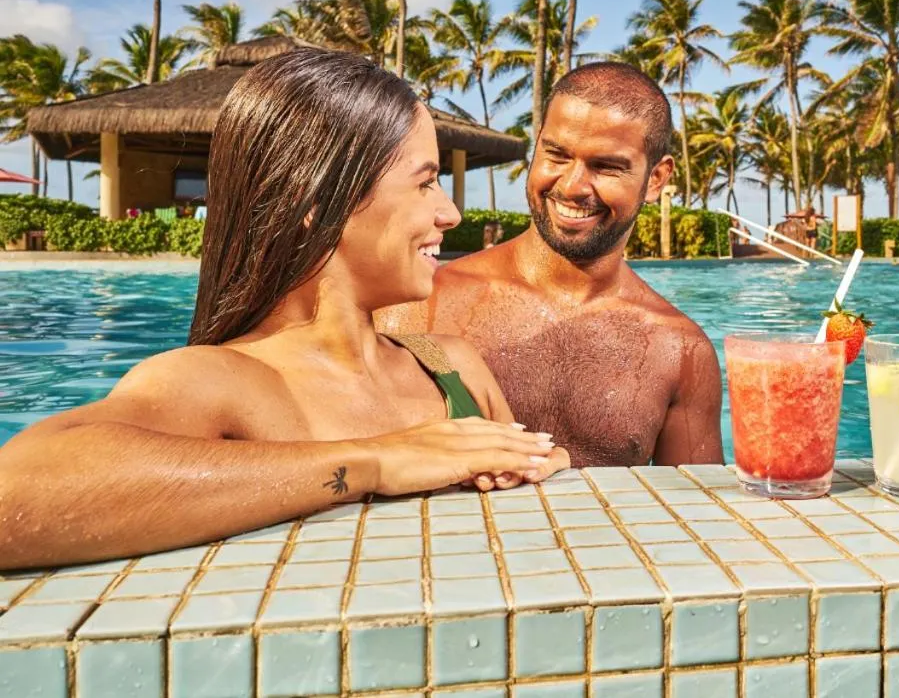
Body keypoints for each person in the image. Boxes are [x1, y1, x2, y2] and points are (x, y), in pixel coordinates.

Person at [0, 49, 567, 571]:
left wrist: (539, 468)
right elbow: (16, 492)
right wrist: (374, 462)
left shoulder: (453, 369)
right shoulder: (219, 381)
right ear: (317, 203)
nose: (449, 213)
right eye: (425, 183)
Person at [379, 62, 724, 468]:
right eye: (556, 155)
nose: (572, 186)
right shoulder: (420, 304)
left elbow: (693, 510)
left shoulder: (680, 351)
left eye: (605, 166)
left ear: (656, 178)